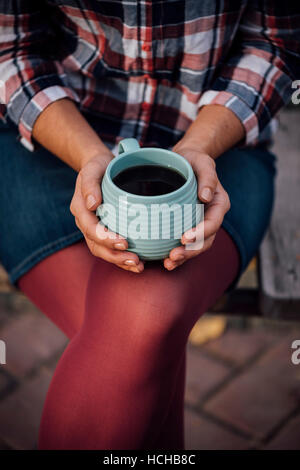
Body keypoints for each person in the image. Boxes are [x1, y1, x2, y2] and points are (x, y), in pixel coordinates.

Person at [0, 1, 299, 450]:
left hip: (221, 144)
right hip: (46, 139)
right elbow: (10, 49)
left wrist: (198, 148)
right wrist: (90, 158)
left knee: (144, 324)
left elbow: (275, 45)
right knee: (141, 351)